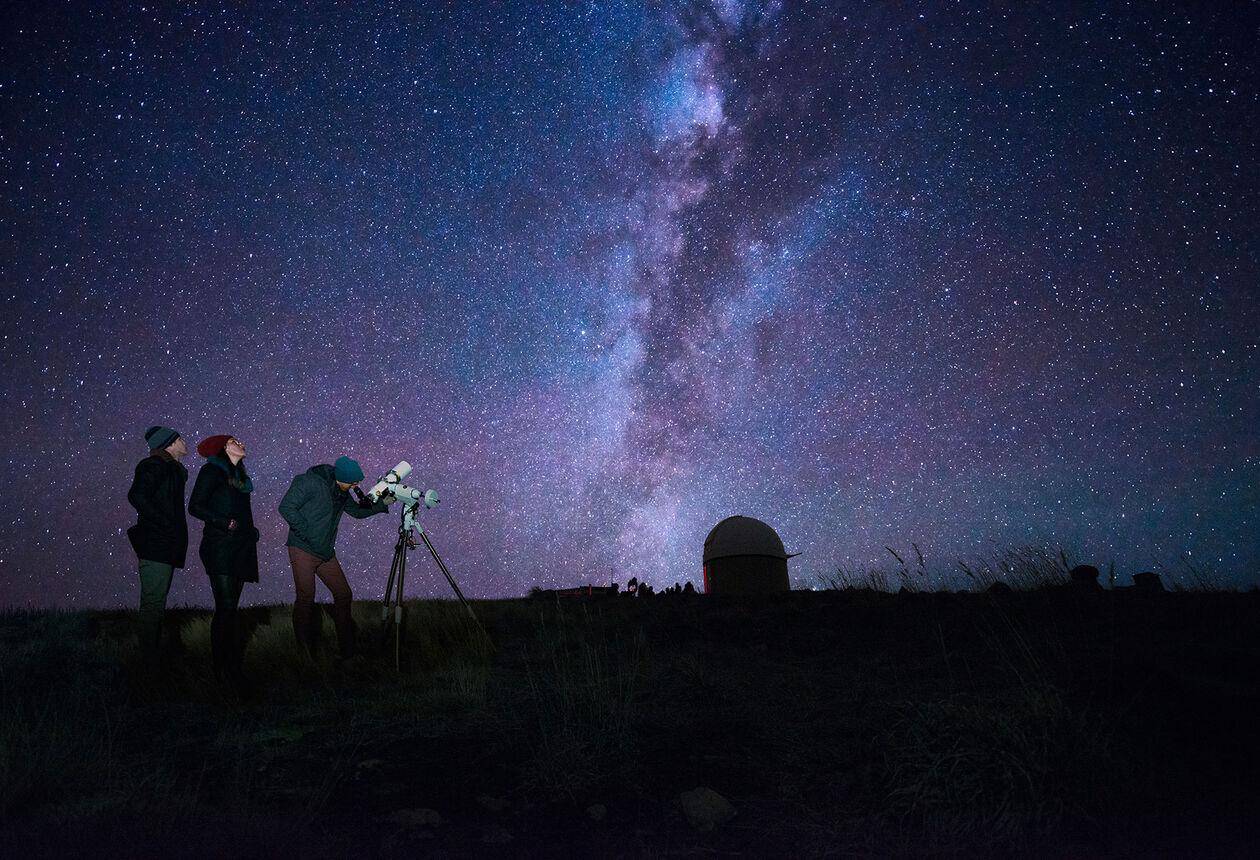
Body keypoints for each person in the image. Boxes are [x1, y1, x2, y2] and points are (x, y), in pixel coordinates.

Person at [278, 456, 388, 658]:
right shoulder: (309, 482)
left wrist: (381, 505)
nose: (355, 486)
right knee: (306, 598)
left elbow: (356, 512)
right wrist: (308, 534)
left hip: (325, 552)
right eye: (353, 482)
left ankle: (347, 649)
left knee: (343, 594)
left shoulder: (342, 492)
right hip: (303, 548)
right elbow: (286, 507)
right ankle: (304, 654)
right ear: (342, 477)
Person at [188, 434, 259, 687]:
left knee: (231, 610)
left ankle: (231, 667)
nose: (242, 444)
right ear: (224, 448)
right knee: (226, 608)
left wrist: (251, 531)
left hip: (240, 547)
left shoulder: (241, 479)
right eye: (235, 442)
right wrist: (224, 523)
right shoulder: (211, 471)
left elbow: (238, 510)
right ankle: (221, 670)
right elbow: (195, 506)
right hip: (220, 546)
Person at [126, 425, 189, 671]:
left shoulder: (171, 469)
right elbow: (137, 495)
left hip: (164, 544)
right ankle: (149, 664)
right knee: (153, 603)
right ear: (170, 444)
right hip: (156, 544)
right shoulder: (153, 465)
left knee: (156, 602)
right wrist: (166, 523)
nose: (185, 442)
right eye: (180, 439)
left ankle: (152, 658)